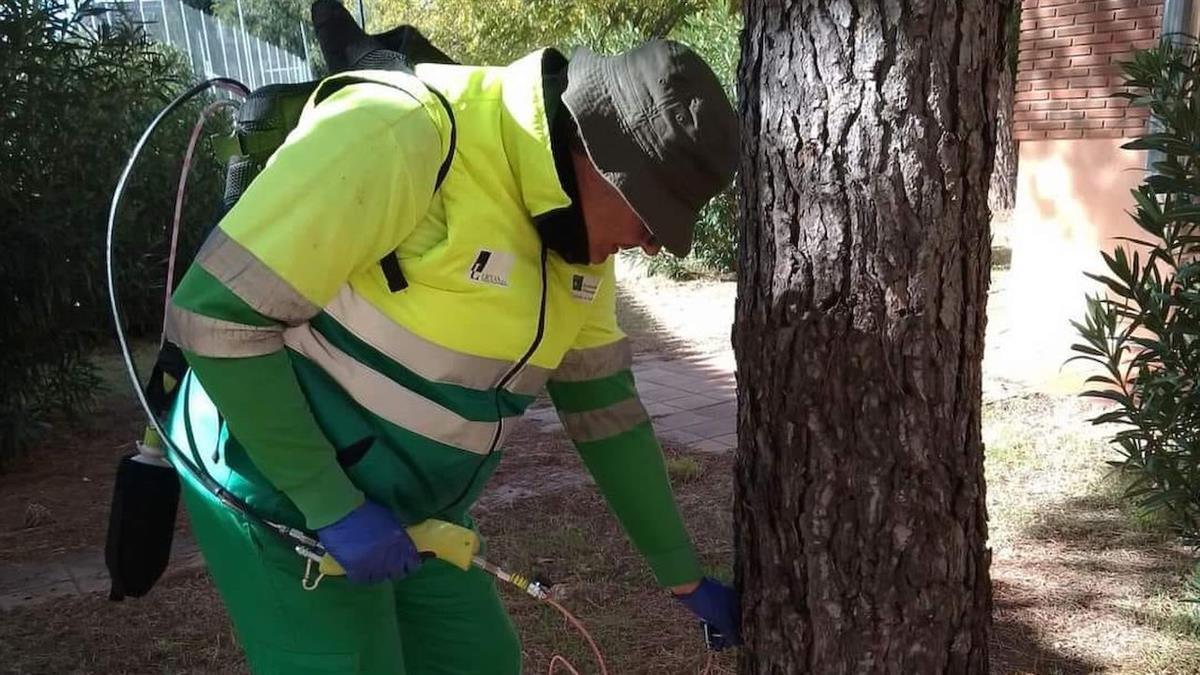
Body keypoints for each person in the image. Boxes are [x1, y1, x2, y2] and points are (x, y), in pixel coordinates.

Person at [165, 30, 740, 674]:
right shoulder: (400, 132)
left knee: (479, 659)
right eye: (651, 215)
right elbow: (215, 317)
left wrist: (681, 575)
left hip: (414, 509)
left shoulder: (580, 243)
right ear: (596, 156)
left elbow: (604, 411)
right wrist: (330, 504)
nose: (652, 244)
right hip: (274, 488)